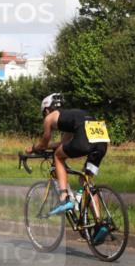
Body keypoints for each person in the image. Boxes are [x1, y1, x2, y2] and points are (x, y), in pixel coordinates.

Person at [25, 93, 111, 243]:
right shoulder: (72, 117)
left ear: (46, 110)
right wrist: (46, 147)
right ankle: (99, 224)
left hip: (85, 140)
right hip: (102, 141)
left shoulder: (49, 118)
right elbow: (61, 144)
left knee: (58, 157)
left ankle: (64, 197)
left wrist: (33, 148)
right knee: (85, 181)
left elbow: (45, 143)